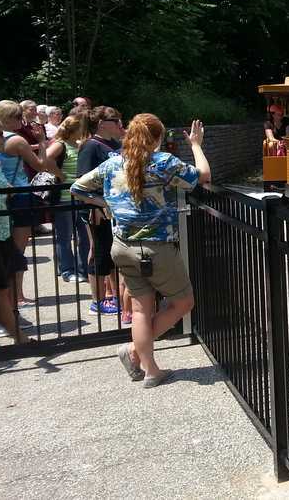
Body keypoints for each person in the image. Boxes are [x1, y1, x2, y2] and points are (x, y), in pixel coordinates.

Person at [71, 115, 211, 387]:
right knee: (183, 303)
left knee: (140, 311)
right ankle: (136, 353)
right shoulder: (163, 163)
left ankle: (150, 370)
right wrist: (195, 144)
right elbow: (203, 175)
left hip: (122, 247)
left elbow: (77, 188)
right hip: (156, 247)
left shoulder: (112, 163)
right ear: (157, 138)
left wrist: (104, 203)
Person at [0, 100, 59, 306]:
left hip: (1, 198)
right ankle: (17, 296)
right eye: (18, 116)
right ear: (10, 118)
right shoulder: (16, 141)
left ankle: (8, 297)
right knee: (17, 251)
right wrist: (43, 143)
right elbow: (40, 166)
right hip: (20, 195)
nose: (21, 120)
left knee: (3, 249)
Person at [76, 106, 127, 320]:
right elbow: (82, 182)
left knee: (115, 254)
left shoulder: (116, 144)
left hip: (116, 210)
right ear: (102, 123)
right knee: (100, 252)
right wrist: (96, 205)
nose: (120, 125)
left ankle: (115, 296)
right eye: (115, 121)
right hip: (98, 210)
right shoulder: (90, 146)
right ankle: (97, 301)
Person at [0, 117, 31, 344]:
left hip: (1, 229)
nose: (2, 139)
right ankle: (19, 338)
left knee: (3, 281)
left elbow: (3, 185)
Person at [46, 116, 94, 289]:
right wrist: (60, 174)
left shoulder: (80, 144)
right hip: (64, 199)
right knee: (64, 236)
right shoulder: (61, 144)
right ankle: (66, 270)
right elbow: (46, 159)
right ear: (75, 129)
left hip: (80, 197)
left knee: (84, 237)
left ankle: (83, 269)